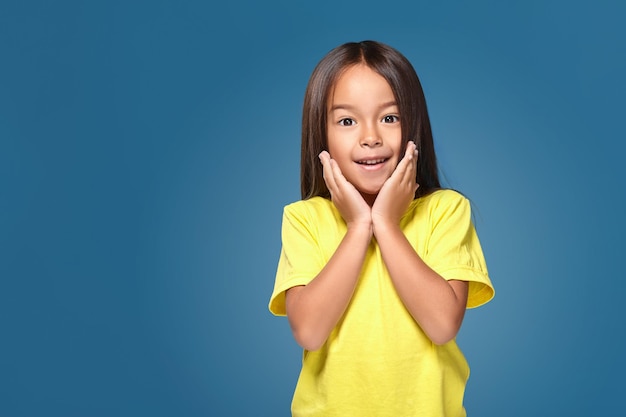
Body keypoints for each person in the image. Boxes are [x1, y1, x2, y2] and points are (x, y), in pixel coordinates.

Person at [268, 40, 495, 417]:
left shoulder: (446, 210)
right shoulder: (304, 219)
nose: (370, 136)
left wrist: (386, 225)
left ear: (413, 125)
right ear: (320, 135)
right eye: (347, 120)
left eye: (389, 117)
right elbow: (308, 331)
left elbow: (442, 325)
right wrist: (359, 226)